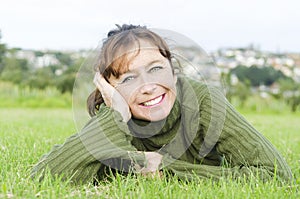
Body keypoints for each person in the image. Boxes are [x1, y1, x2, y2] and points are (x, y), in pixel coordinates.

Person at [31, 24, 293, 184]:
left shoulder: (204, 101)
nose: (147, 86)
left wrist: (163, 169)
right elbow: (43, 177)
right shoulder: (113, 121)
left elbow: (275, 174)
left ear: (173, 71)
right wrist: (114, 116)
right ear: (109, 89)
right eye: (129, 77)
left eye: (155, 69)